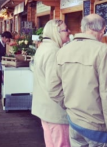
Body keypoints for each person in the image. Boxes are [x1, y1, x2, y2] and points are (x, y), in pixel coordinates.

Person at [48, 14, 107, 147]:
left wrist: (69, 105)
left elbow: (53, 89)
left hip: (74, 122)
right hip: (96, 128)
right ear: (103, 29)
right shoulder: (102, 50)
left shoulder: (64, 50)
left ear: (83, 28)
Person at [32, 19, 71, 147]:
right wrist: (69, 105)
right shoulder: (54, 51)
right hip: (55, 112)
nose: (69, 32)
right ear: (56, 32)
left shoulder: (43, 47)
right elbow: (54, 87)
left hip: (44, 108)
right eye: (66, 30)